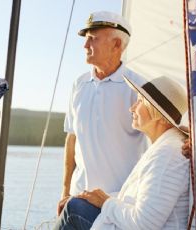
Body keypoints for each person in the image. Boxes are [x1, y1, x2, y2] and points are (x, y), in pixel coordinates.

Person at [54, 75, 190, 229]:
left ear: (159, 115)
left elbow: (144, 224)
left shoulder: (167, 155)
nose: (131, 108)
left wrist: (105, 202)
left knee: (74, 209)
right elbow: (134, 200)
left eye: (140, 102)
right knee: (77, 204)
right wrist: (91, 197)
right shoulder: (165, 147)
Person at [59, 11, 148, 214]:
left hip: (119, 203)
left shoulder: (139, 87)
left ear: (117, 45)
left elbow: (161, 137)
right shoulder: (78, 84)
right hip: (77, 200)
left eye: (93, 39)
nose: (85, 45)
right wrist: (65, 192)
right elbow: (71, 139)